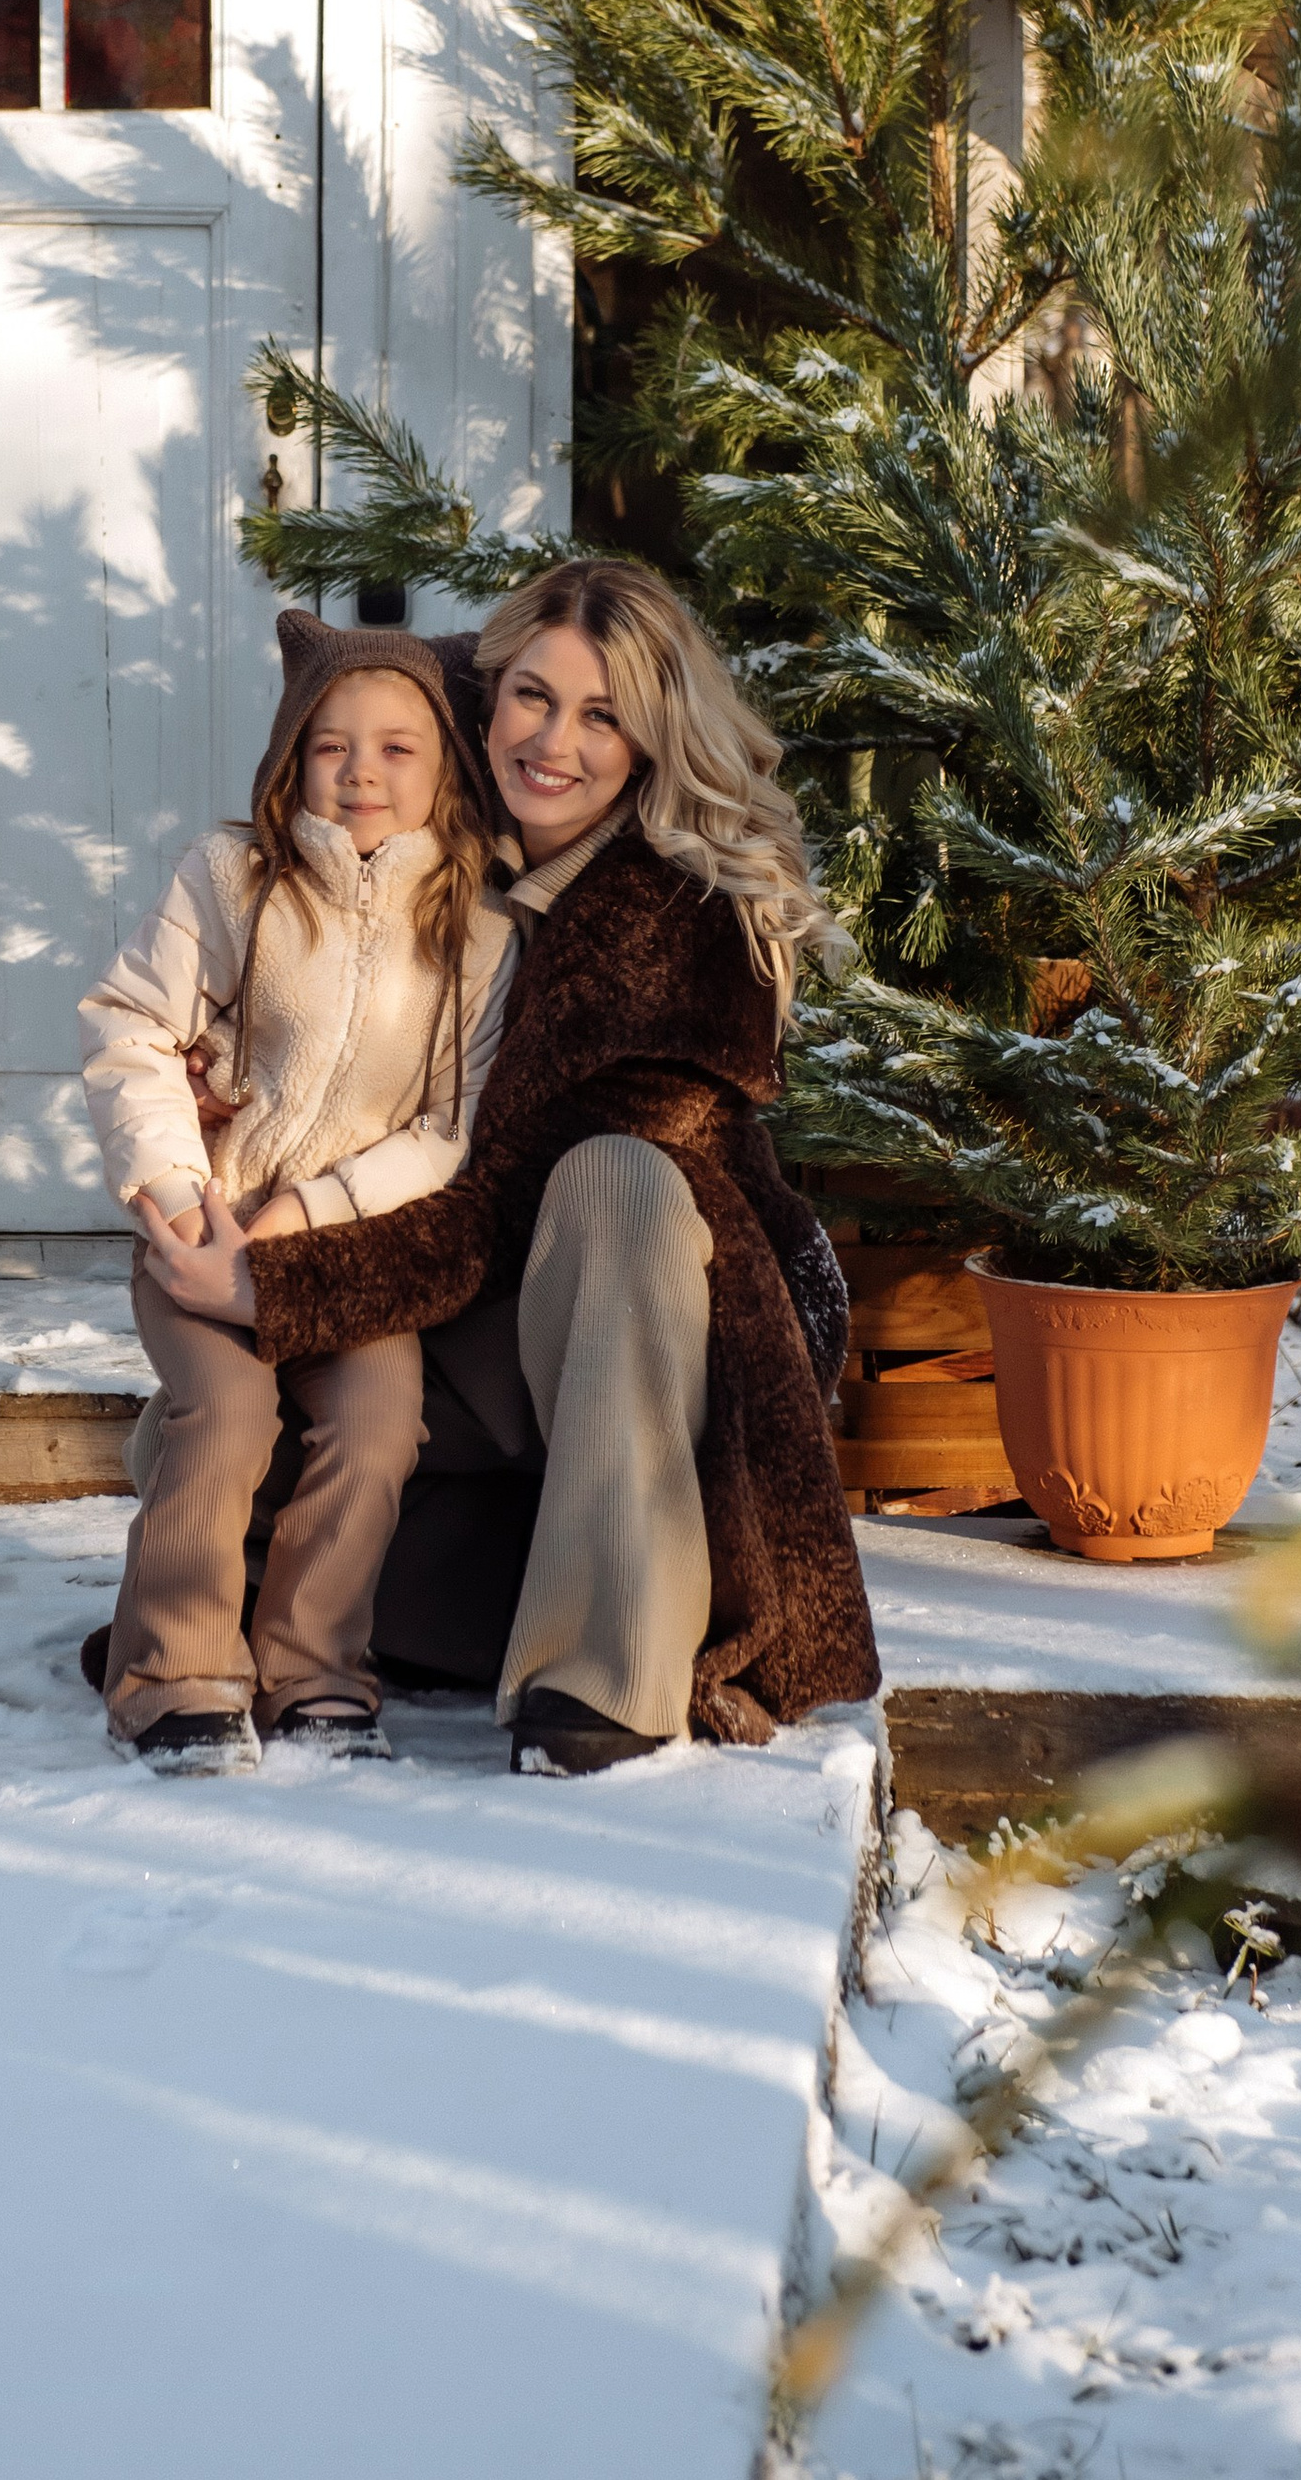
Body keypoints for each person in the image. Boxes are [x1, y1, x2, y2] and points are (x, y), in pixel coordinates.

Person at [132, 559, 879, 1776]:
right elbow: (292, 911)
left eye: (602, 716)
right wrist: (230, 1060)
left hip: (604, 1338)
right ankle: (304, 1625)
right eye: (532, 697)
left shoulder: (676, 923)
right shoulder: (422, 804)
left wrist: (276, 1284)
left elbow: (499, 1205)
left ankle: (605, 1672)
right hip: (446, 1346)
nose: (553, 742)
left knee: (614, 1175)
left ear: (649, 740)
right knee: (196, 1433)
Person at [80, 612, 517, 1772]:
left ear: (446, 769)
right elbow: (131, 1023)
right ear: (289, 758)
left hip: (346, 1254)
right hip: (205, 1228)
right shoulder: (234, 879)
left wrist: (312, 1217)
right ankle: (173, 1676)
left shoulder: (476, 926)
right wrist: (180, 1192)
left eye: (396, 748)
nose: (361, 771)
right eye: (331, 745)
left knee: (375, 1428)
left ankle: (313, 1671)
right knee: (225, 1415)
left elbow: (448, 1127)